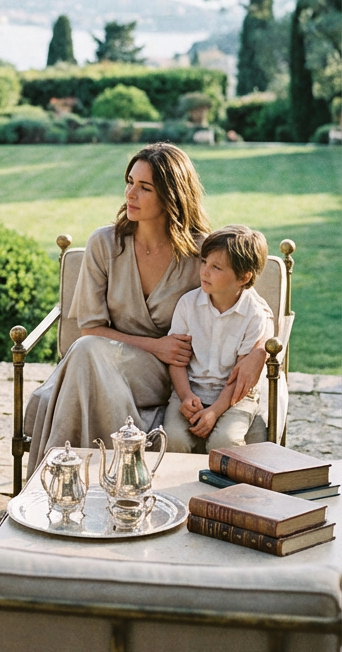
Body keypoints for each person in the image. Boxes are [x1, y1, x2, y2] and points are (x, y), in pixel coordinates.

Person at [24, 143, 268, 470]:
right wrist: (156, 345)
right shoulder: (104, 243)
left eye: (144, 187)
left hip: (170, 374)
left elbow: (249, 301)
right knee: (85, 350)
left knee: (85, 353)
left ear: (171, 195)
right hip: (108, 360)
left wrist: (260, 350)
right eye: (129, 182)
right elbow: (90, 330)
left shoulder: (200, 251)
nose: (129, 194)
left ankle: (70, 474)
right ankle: (99, 473)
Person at [163, 225, 273, 453]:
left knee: (225, 443)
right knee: (173, 439)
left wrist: (213, 412)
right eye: (204, 262)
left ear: (243, 277)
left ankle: (226, 488)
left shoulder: (254, 314)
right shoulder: (187, 304)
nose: (204, 272)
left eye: (216, 267)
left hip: (236, 396)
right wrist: (185, 396)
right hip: (191, 389)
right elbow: (176, 359)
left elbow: (242, 376)